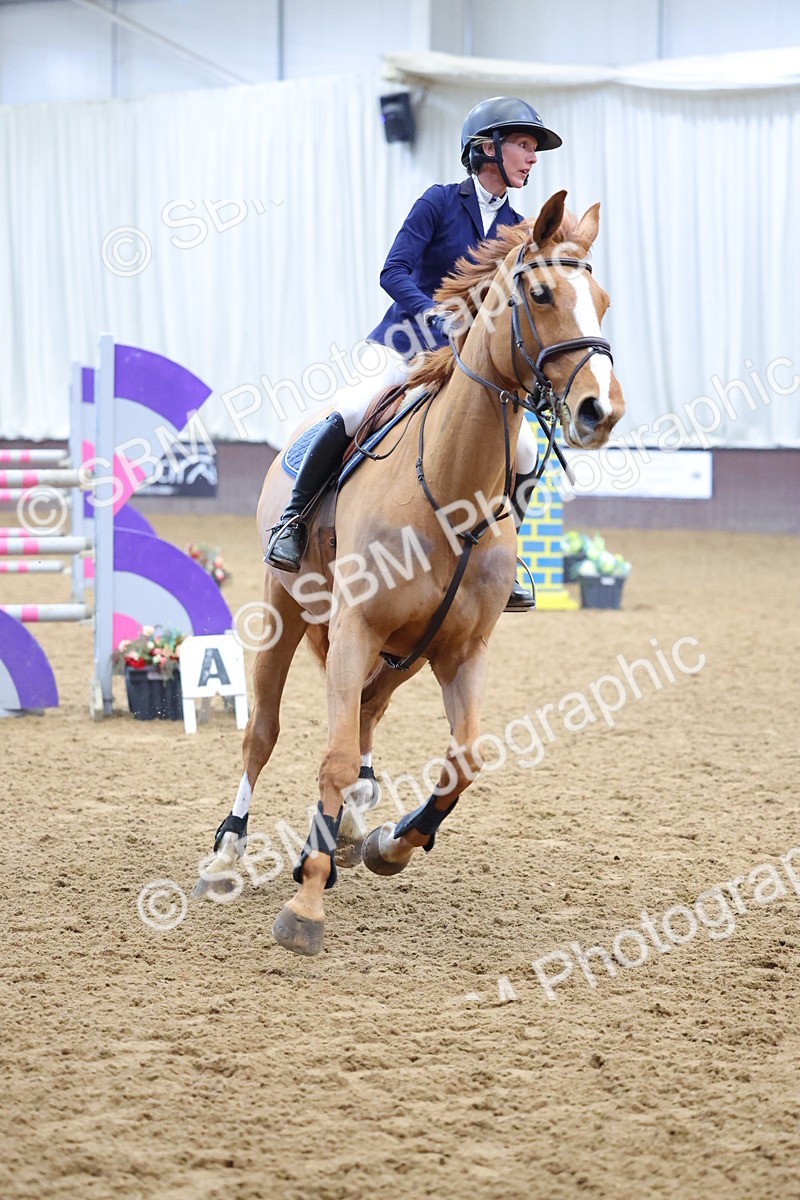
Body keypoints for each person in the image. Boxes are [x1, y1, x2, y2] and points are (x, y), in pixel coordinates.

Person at [265, 96, 563, 611]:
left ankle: (505, 558)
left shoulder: (518, 227)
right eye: (522, 144)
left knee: (526, 453)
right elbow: (393, 271)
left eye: (533, 148)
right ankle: (293, 521)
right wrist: (435, 316)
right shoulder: (439, 202)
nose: (532, 157)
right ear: (486, 148)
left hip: (466, 367)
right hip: (405, 344)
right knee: (354, 409)